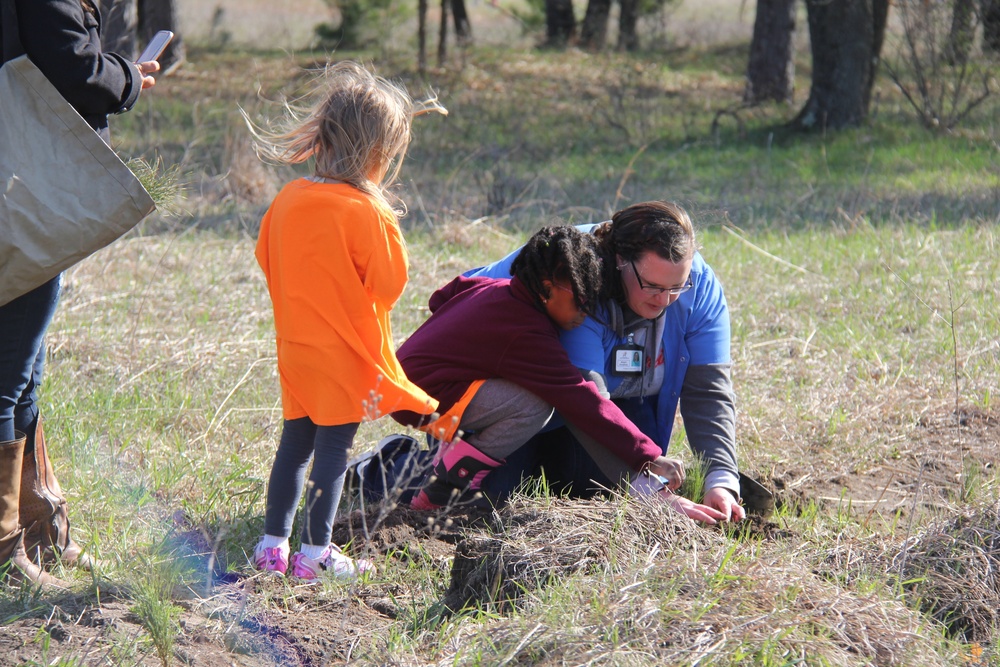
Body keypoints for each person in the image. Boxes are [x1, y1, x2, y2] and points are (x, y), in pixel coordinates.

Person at [249, 61, 444, 582]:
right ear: (379, 151)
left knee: (293, 447)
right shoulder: (367, 211)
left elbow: (265, 257)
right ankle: (314, 555)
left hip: (296, 348)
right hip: (344, 353)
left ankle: (272, 548)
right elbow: (389, 285)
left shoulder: (288, 198)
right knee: (333, 453)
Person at [391, 225, 725, 523]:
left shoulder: (495, 289)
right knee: (536, 405)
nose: (584, 313)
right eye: (581, 300)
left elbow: (445, 294)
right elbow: (579, 399)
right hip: (425, 397)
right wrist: (648, 456)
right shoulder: (527, 333)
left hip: (412, 384)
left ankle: (450, 469)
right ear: (549, 288)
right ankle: (447, 486)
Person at [0, 0, 160, 587]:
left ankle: (38, 532)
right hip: (22, 189)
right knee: (8, 373)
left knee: (24, 370)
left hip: (21, 185)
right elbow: (76, 71)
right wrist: (130, 78)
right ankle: (6, 551)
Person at [468, 201, 746, 523]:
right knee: (490, 503)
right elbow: (583, 397)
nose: (665, 300)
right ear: (620, 261)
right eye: (653, 287)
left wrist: (722, 480)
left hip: (579, 399)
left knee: (601, 486)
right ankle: (401, 458)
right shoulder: (576, 279)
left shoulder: (700, 288)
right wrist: (648, 490)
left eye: (675, 288)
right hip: (496, 392)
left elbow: (708, 391)